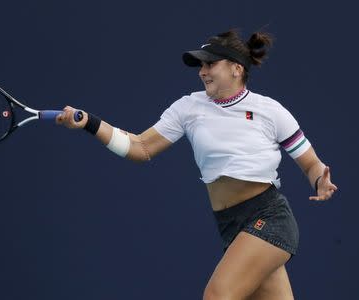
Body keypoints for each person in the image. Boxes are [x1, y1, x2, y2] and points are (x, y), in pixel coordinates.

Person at [56, 29, 338, 299]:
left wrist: (319, 179)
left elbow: (311, 163)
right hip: (231, 226)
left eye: (210, 64)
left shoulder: (271, 111)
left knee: (218, 295)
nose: (202, 71)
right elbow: (140, 147)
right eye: (200, 66)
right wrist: (91, 124)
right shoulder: (188, 108)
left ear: (236, 69)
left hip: (269, 218)